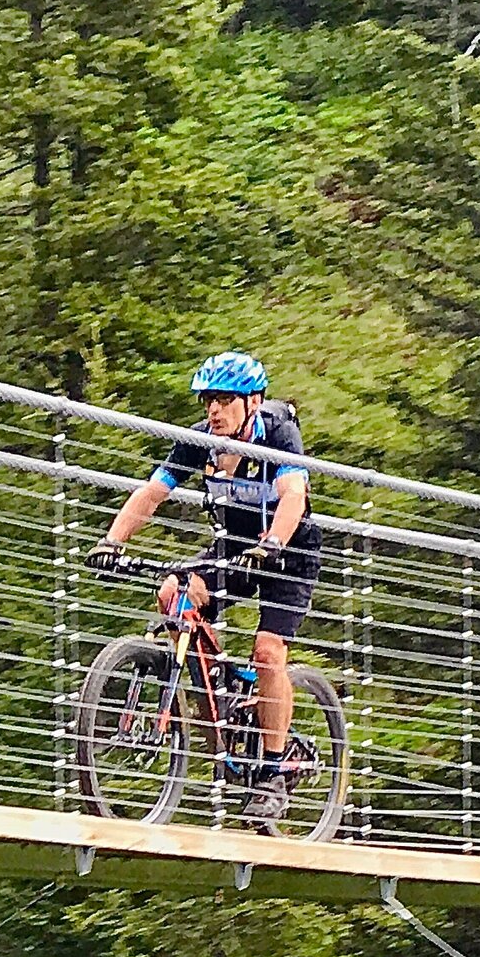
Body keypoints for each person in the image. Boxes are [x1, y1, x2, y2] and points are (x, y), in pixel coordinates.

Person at [87, 352, 319, 822]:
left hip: (288, 550)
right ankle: (218, 690)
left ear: (252, 401)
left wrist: (274, 539)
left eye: (224, 400)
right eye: (207, 400)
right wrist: (111, 541)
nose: (213, 410)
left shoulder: (277, 433)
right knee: (174, 593)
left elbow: (294, 494)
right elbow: (153, 492)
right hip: (235, 546)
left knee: (269, 652)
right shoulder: (201, 441)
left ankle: (274, 773)